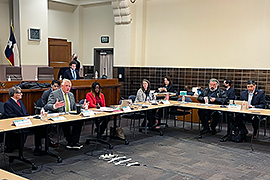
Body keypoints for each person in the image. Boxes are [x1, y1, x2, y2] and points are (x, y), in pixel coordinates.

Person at [44, 79, 83, 149]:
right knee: (66, 123)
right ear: (62, 86)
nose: (68, 88)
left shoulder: (71, 94)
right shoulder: (55, 93)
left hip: (70, 115)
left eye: (69, 86)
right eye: (66, 86)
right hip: (60, 116)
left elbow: (74, 106)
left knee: (79, 121)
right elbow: (47, 106)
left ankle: (74, 141)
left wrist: (82, 106)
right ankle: (70, 142)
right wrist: (54, 106)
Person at [4, 86, 29, 152]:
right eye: (20, 93)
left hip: (24, 122)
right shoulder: (8, 104)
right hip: (16, 124)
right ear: (15, 94)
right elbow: (11, 116)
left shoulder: (20, 102)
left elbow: (25, 113)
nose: (21, 94)